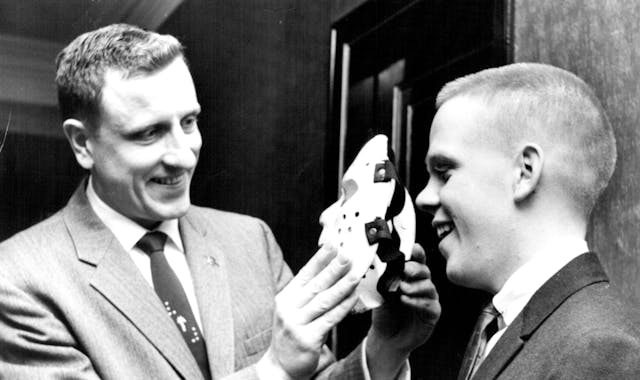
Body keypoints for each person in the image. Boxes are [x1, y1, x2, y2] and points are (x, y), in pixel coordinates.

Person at [0, 24, 440, 380]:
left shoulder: (250, 239)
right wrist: (270, 371)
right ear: (82, 143)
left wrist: (384, 349)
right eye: (148, 133)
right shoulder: (18, 278)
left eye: (188, 122)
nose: (182, 155)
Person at [415, 62, 640, 379]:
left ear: (524, 173)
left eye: (444, 172)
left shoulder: (601, 351)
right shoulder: (512, 327)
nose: (423, 197)